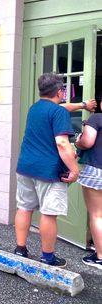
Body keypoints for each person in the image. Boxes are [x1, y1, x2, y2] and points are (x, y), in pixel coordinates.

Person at [14, 73, 79, 267]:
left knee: (24, 207)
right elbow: (62, 143)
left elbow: (59, 109)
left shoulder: (34, 108)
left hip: (25, 167)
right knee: (49, 213)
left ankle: (20, 249)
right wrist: (74, 170)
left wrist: (83, 105)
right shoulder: (58, 113)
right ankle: (48, 257)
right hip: (48, 171)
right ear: (59, 91)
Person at [74, 102, 102, 270]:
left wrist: (78, 142)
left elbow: (87, 142)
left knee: (97, 215)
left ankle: (100, 257)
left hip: (96, 171)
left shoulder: (97, 118)